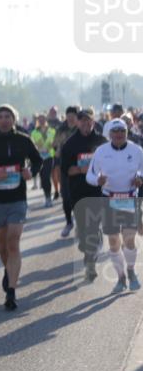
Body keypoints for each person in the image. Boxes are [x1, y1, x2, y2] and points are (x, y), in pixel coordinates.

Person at [0, 105, 42, 311]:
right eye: (0, 117)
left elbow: (38, 161)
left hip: (18, 199)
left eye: (8, 117)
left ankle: (11, 292)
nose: (4, 120)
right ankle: (9, 270)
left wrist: (31, 171)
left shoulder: (23, 140)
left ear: (14, 119)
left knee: (13, 242)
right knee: (2, 245)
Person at [85, 119, 143, 292]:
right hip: (108, 199)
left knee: (129, 239)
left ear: (126, 133)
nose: (119, 135)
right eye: (115, 132)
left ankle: (131, 271)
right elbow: (89, 176)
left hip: (129, 198)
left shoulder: (137, 150)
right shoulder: (101, 151)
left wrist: (140, 179)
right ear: (109, 134)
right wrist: (98, 180)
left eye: (122, 132)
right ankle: (121, 277)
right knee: (113, 240)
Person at [60, 108, 110, 282]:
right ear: (78, 123)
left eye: (88, 120)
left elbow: (110, 164)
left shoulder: (102, 141)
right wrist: (82, 169)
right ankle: (88, 250)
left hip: (98, 192)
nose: (85, 123)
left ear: (93, 121)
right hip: (79, 192)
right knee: (83, 231)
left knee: (94, 227)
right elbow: (66, 170)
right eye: (82, 120)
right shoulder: (70, 144)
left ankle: (91, 261)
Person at [53, 106, 81, 237]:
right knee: (66, 196)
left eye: (73, 115)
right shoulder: (61, 129)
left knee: (80, 195)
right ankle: (69, 222)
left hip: (80, 167)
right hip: (65, 167)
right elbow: (55, 146)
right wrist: (58, 150)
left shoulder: (81, 129)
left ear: (77, 117)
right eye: (68, 114)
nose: (70, 117)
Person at [30, 114, 57, 206]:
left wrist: (51, 146)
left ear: (46, 119)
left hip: (49, 156)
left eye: (43, 119)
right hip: (40, 158)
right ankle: (47, 197)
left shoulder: (52, 131)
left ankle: (49, 198)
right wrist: (37, 147)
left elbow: (55, 142)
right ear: (37, 120)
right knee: (43, 178)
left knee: (46, 176)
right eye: (39, 119)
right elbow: (32, 144)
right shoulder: (34, 132)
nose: (41, 121)